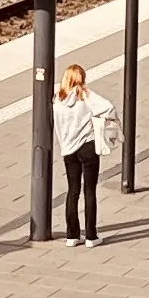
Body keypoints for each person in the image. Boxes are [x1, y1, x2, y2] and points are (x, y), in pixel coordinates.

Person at [54, 61, 115, 245]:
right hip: (87, 147)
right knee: (90, 191)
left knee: (73, 191)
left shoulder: (57, 98)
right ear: (81, 78)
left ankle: (72, 236)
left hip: (68, 149)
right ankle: (91, 236)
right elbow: (108, 107)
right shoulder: (86, 95)